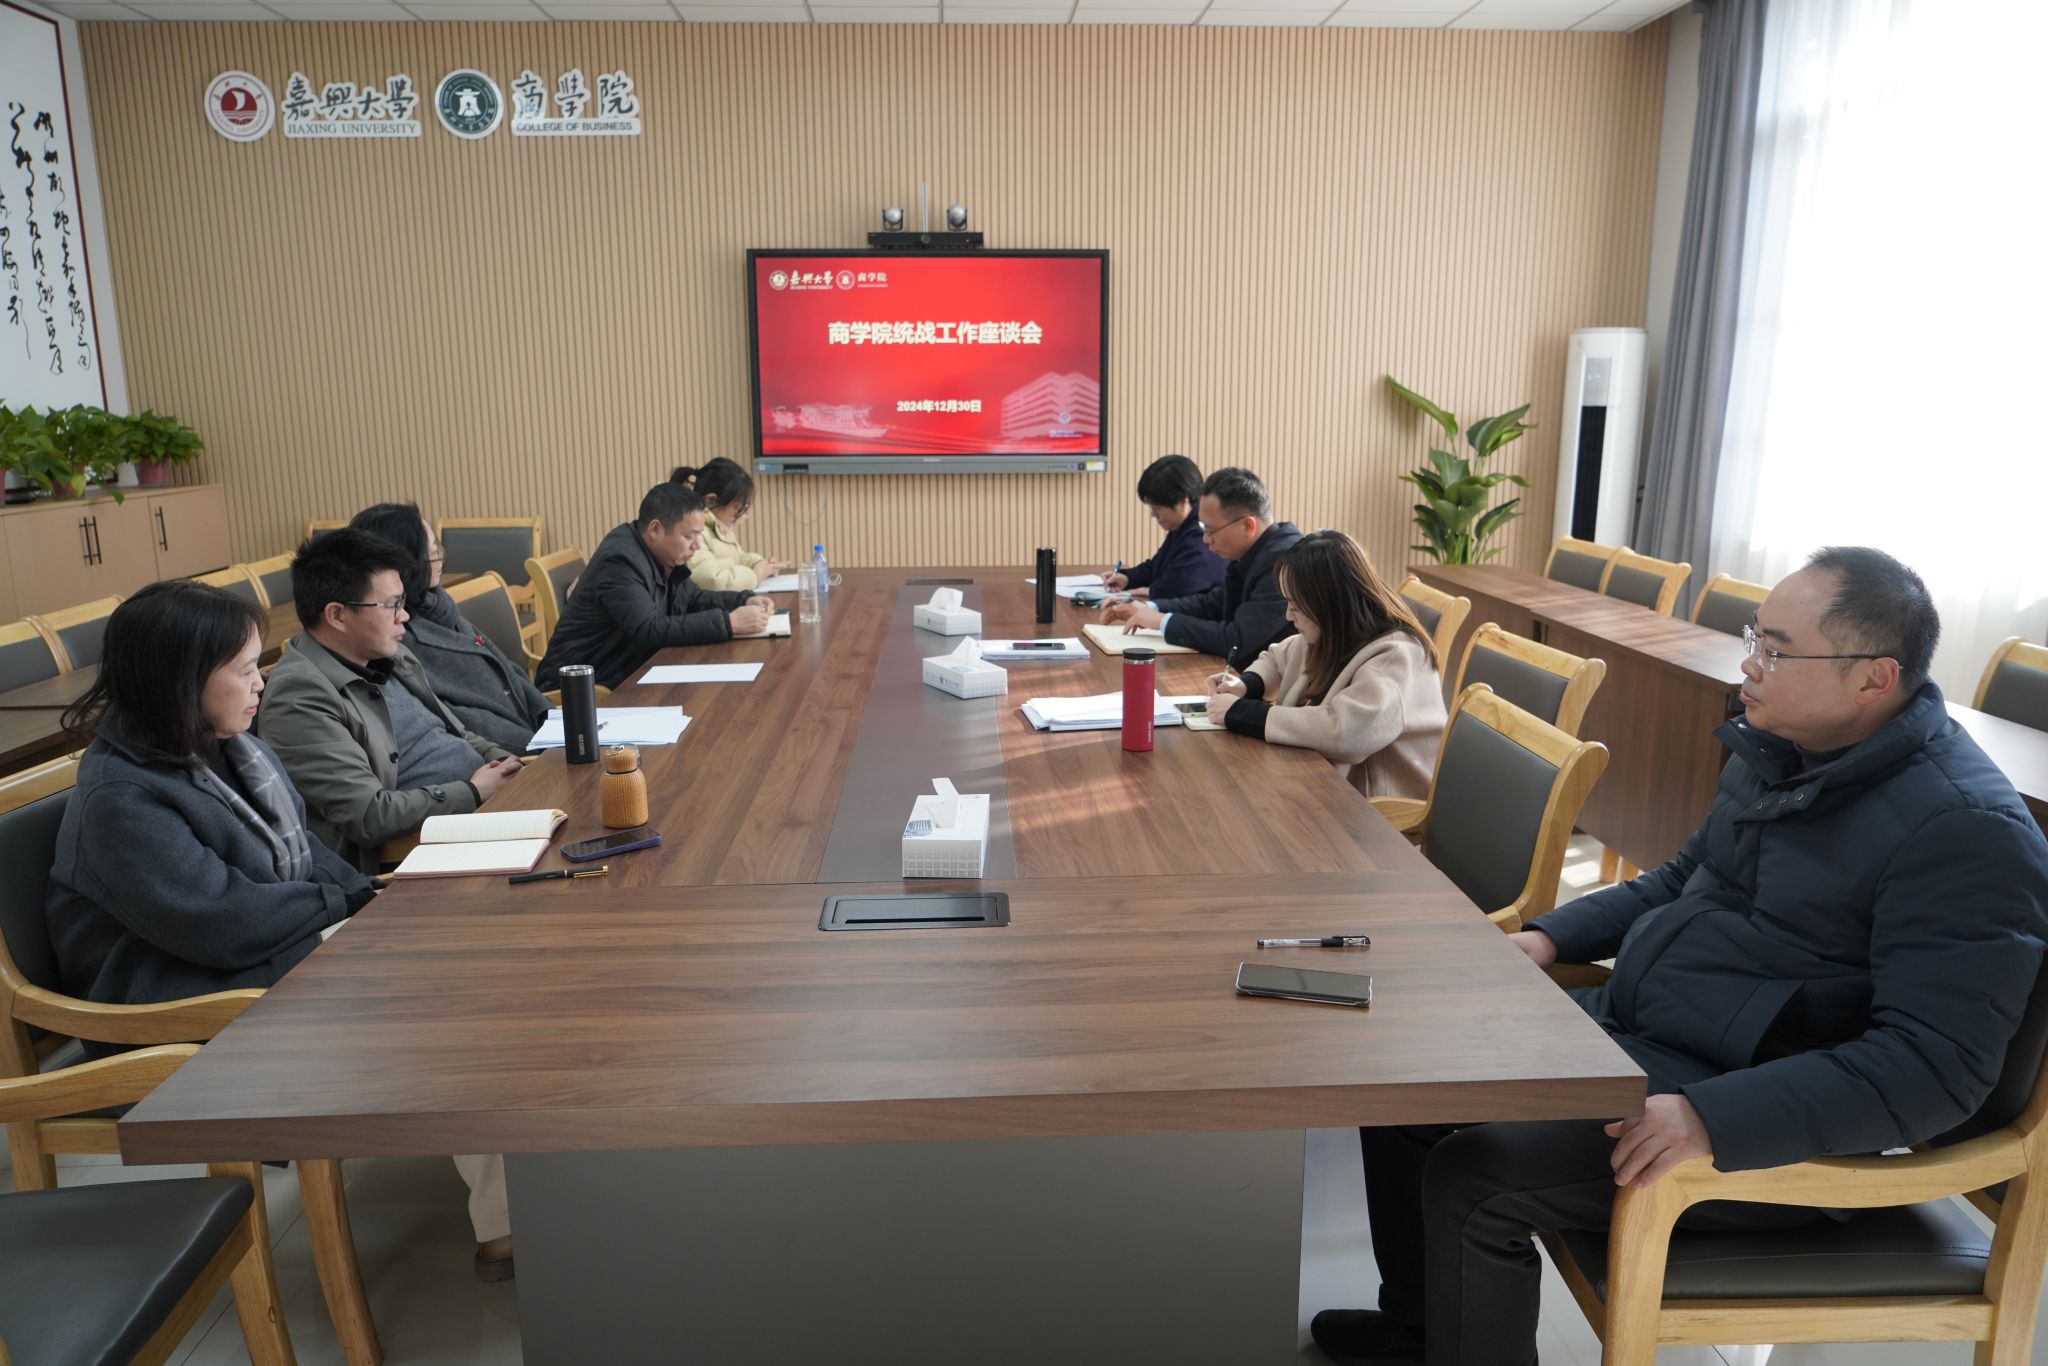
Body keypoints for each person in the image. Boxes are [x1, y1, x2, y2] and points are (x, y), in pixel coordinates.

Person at [1311, 546, 2048, 1366]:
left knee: (1475, 1175)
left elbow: (1933, 1069)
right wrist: (1548, 939)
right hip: (1651, 1036)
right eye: (1754, 637)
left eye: (1777, 651)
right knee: (1403, 1075)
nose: (1749, 665)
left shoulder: (1963, 829)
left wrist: (1709, 1117)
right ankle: (1417, 1333)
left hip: (1763, 1115)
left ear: (1874, 678)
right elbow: (1682, 879)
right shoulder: (1785, 749)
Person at [45, 580, 379, 1015]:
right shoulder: (120, 798)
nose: (260, 683)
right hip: (172, 996)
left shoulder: (236, 747)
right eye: (245, 670)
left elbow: (306, 848)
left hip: (258, 952)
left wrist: (365, 895)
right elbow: (219, 921)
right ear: (181, 681)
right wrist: (341, 903)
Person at [258, 529, 522, 874]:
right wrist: (473, 791)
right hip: (428, 848)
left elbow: (456, 733)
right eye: (392, 605)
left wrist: (505, 764)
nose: (404, 616)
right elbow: (370, 816)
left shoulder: (388, 656)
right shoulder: (299, 698)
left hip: (483, 811)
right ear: (336, 615)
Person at [1205, 530, 1445, 799]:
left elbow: (1345, 733)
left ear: (1329, 604)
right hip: (1329, 784)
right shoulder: (1335, 631)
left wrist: (1242, 712)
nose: (1288, 615)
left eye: (1295, 606)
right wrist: (1245, 685)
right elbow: (1277, 658)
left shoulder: (1395, 658)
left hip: (1376, 805)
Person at [348, 502, 549, 754]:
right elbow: (457, 720)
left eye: (437, 548)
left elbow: (505, 669)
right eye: (432, 552)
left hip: (535, 734)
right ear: (407, 562)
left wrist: (550, 717)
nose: (440, 558)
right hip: (509, 753)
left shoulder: (437, 604)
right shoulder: (395, 636)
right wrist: (541, 744)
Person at [535, 482, 774, 692]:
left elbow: (692, 598)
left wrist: (743, 599)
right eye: (689, 536)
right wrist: (729, 623)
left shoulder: (661, 555)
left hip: (624, 670)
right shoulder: (620, 561)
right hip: (581, 686)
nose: (697, 546)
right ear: (655, 529)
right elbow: (648, 630)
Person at [1102, 466, 1301, 660]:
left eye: (1210, 531)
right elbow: (1210, 604)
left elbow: (1235, 640)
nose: (1205, 540)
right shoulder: (1253, 551)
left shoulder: (1284, 563)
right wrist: (1150, 608)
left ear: (1247, 526)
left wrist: (1162, 621)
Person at [1102, 454, 1226, 601]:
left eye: (1156, 508)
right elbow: (1156, 567)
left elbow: (1178, 586)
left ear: (1183, 502)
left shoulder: (1202, 536)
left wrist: (1152, 591)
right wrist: (1128, 578)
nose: (1153, 515)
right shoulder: (1183, 525)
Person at [670, 458, 790, 592]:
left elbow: (737, 558)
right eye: (736, 508)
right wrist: (756, 575)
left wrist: (758, 563)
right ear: (711, 501)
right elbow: (712, 580)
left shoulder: (719, 527)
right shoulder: (695, 533)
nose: (738, 515)